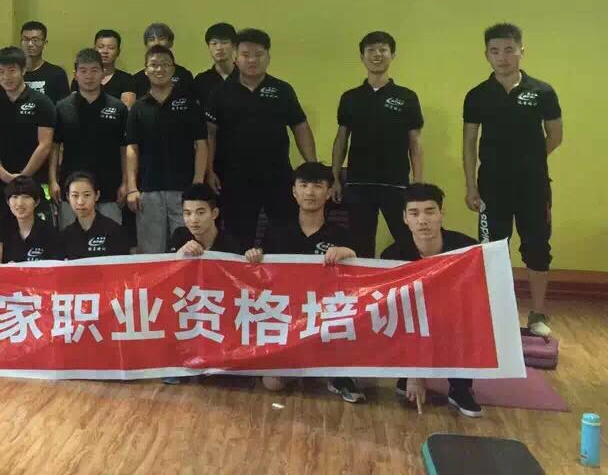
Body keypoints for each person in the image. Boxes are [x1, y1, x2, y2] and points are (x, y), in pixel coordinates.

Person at [463, 23, 563, 338]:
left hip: (533, 186)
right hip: (492, 186)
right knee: (492, 248)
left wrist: (529, 160)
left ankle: (537, 312)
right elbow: (469, 143)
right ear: (487, 55)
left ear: (521, 50)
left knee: (537, 247)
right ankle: (497, 311)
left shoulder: (542, 91)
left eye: (509, 50)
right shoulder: (477, 95)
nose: (502, 57)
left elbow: (555, 135)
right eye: (495, 51)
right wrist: (471, 185)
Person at [245, 161, 362, 404]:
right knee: (272, 383)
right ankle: (304, 366)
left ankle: (332, 371)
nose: (310, 192)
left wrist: (349, 253)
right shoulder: (276, 230)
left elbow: (361, 279)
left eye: (318, 186)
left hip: (326, 317)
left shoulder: (341, 234)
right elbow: (260, 276)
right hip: (287, 318)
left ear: (328, 192)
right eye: (304, 185)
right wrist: (253, 257)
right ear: (294, 191)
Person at [206, 28, 316, 249]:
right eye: (246, 55)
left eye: (258, 54)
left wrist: (312, 165)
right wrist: (209, 170)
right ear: (236, 57)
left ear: (268, 57)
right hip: (234, 178)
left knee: (284, 234)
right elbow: (210, 133)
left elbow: (300, 126)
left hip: (277, 175)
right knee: (238, 238)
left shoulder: (282, 90)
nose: (252, 60)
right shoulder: (221, 92)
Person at [382, 182, 483, 417]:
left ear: (441, 213)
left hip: (453, 315)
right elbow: (397, 309)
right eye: (414, 213)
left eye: (430, 212)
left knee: (468, 318)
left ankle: (460, 387)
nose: (422, 220)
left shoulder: (467, 248)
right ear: (405, 218)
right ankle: (406, 374)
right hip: (413, 318)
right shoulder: (392, 255)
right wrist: (415, 373)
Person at [331, 31, 425, 258]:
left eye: (383, 50)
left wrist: (418, 182)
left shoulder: (407, 97)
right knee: (360, 243)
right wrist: (335, 178)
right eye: (371, 50)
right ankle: (364, 282)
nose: (377, 55)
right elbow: (341, 138)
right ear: (362, 57)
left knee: (408, 240)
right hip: (359, 182)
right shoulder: (350, 97)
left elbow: (415, 141)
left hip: (396, 183)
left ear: (393, 55)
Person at [124, 46, 208, 254]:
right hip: (149, 190)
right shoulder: (139, 108)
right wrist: (132, 187)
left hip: (184, 189)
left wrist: (198, 182)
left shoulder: (190, 104)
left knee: (189, 250)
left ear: (173, 69)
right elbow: (132, 148)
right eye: (154, 65)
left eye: (165, 64)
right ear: (146, 70)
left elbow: (201, 144)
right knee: (151, 253)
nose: (159, 69)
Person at [51, 49, 129, 226]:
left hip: (110, 187)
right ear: (75, 74)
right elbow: (54, 147)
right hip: (71, 188)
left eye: (94, 70)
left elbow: (125, 149)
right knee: (71, 238)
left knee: (110, 238)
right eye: (83, 70)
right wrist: (53, 180)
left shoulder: (118, 108)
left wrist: (125, 183)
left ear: (103, 73)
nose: (89, 76)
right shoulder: (62, 107)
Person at [0, 46, 56, 207]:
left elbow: (45, 145)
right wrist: (5, 176)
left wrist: (23, 176)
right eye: (1, 72)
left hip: (34, 181)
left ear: (23, 70)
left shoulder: (42, 102)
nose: (6, 77)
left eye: (12, 71)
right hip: (2, 184)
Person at [61, 172, 133, 258]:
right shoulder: (65, 236)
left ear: (96, 195)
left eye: (86, 195)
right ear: (68, 197)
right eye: (75, 195)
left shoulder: (114, 231)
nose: (80, 202)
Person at [126, 23, 194, 107]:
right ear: (146, 44)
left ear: (171, 43)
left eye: (162, 38)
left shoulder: (184, 74)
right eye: (151, 39)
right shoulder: (137, 79)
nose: (157, 43)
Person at [2, 175, 62, 262]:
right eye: (15, 197)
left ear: (36, 202)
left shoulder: (50, 233)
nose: (20, 203)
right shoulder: (3, 233)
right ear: (8, 202)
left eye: (26, 197)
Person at [170, 183, 243, 255]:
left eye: (200, 213)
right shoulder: (179, 236)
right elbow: (167, 261)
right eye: (188, 213)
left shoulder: (230, 243)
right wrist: (180, 253)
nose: (193, 220)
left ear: (214, 213)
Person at [18, 21, 70, 102]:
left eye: (35, 40)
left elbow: (64, 106)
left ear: (44, 43)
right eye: (26, 39)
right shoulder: (11, 73)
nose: (30, 44)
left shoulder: (57, 74)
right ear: (21, 42)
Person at [191, 22, 237, 107]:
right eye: (214, 43)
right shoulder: (201, 81)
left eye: (224, 42)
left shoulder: (247, 77)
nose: (219, 48)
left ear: (234, 46)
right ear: (209, 47)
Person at [91, 28, 135, 99]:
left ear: (118, 52)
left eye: (111, 48)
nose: (105, 51)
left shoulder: (126, 80)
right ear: (94, 50)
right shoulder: (82, 77)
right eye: (101, 47)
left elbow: (127, 105)